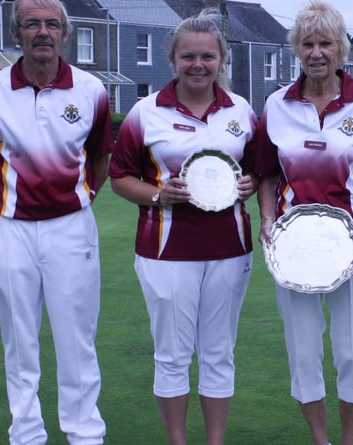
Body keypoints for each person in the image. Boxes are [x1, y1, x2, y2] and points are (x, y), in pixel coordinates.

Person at [254, 2, 353, 444]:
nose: (317, 52)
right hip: (294, 252)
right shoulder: (276, 104)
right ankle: (321, 440)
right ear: (296, 50)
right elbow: (265, 174)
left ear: (341, 48)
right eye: (308, 43)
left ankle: (348, 440)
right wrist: (266, 219)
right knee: (303, 356)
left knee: (351, 355)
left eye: (326, 43)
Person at [108, 9, 258, 445]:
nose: (198, 65)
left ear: (221, 60)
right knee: (172, 356)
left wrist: (249, 184)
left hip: (230, 249)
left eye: (208, 57)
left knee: (218, 354)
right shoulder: (145, 112)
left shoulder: (242, 111)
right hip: (165, 251)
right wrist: (159, 194)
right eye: (189, 56)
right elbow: (119, 178)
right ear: (172, 59)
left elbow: (257, 173)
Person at [0, 0, 112, 443]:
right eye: (32, 24)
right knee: (19, 337)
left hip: (71, 226)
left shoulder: (91, 91)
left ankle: (83, 431)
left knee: (76, 336)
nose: (43, 32)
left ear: (65, 34)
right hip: (10, 228)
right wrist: (12, 203)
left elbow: (101, 160)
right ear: (17, 34)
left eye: (52, 24)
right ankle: (27, 433)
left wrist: (78, 198)